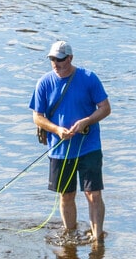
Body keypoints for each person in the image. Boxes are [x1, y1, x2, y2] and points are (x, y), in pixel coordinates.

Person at [30, 41, 111, 244]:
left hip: (88, 147)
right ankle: (70, 234)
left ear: (70, 58)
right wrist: (57, 130)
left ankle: (97, 238)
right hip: (59, 150)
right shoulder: (44, 83)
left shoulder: (88, 78)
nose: (56, 63)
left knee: (93, 194)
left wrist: (87, 121)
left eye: (59, 59)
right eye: (52, 60)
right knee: (66, 195)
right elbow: (37, 117)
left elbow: (105, 108)